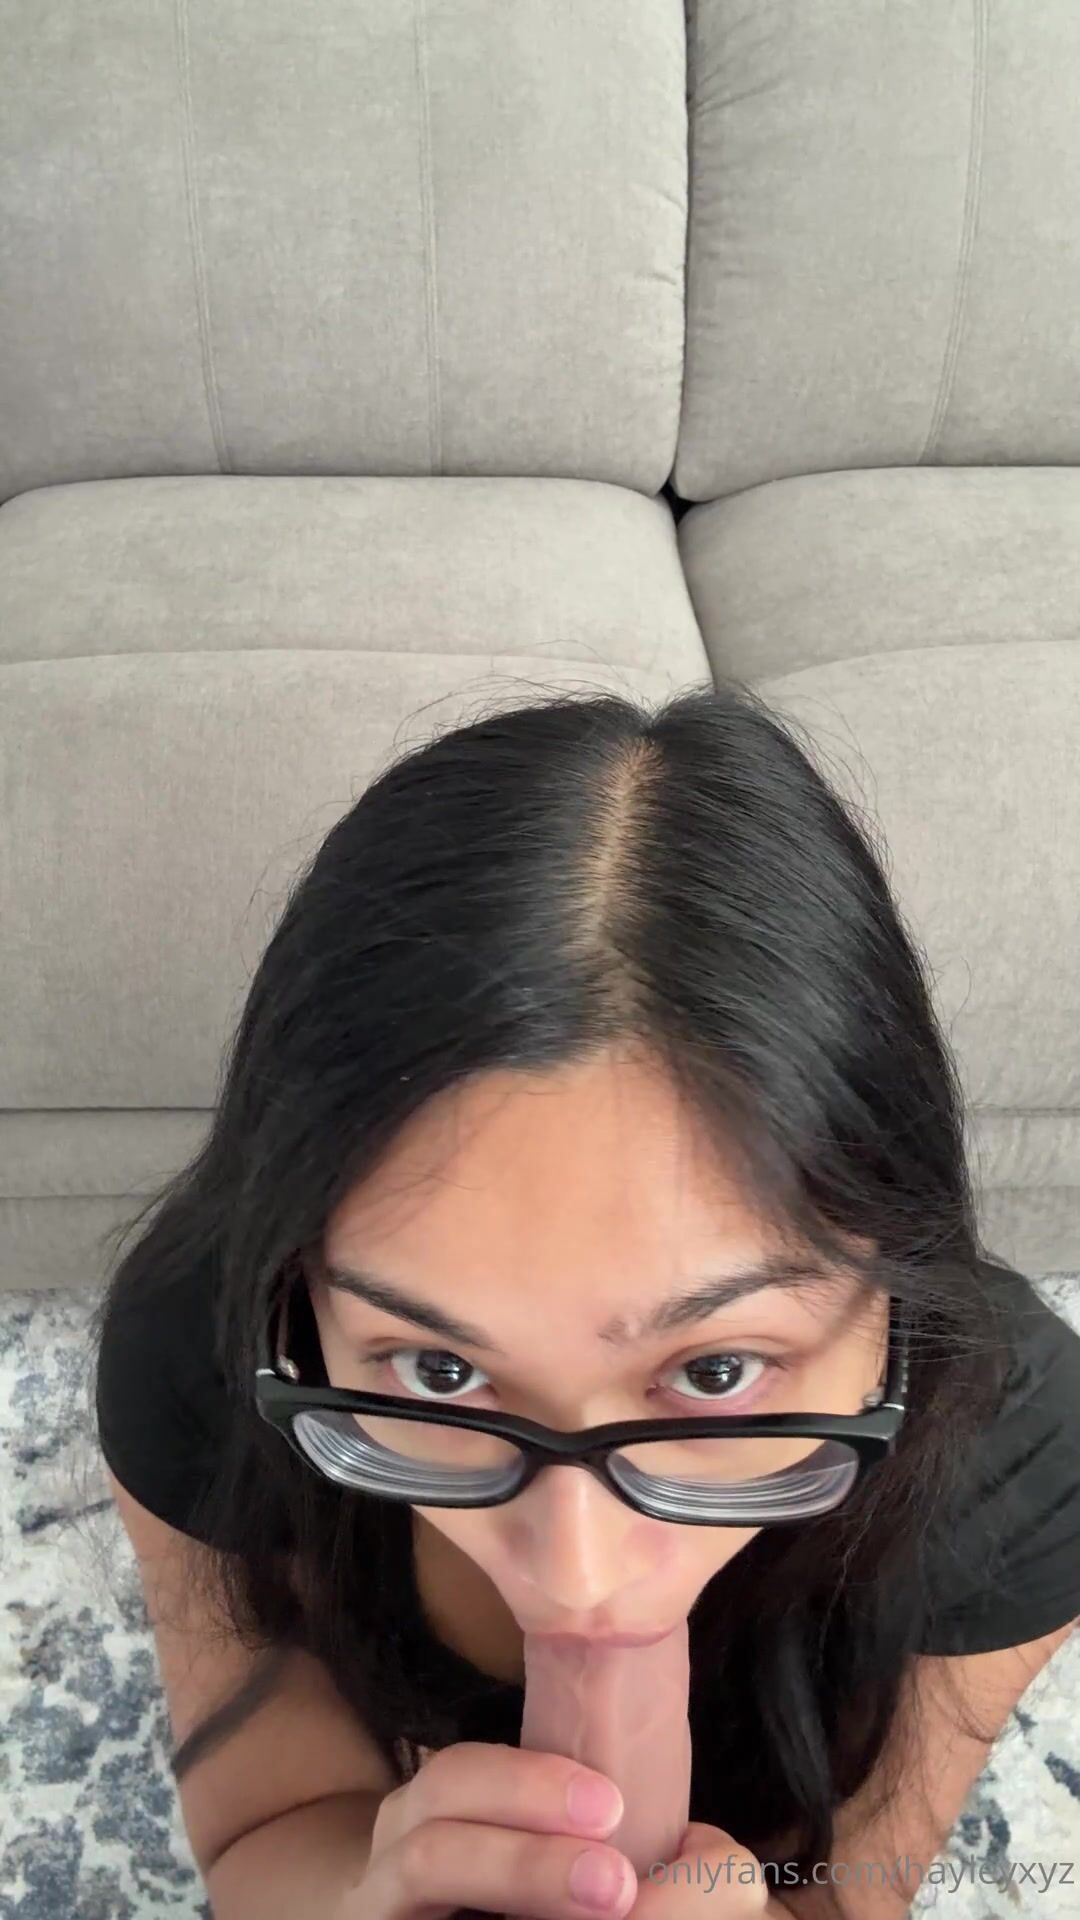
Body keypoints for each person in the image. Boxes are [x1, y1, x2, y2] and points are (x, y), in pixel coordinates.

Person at [91, 683, 1080, 1920]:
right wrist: (357, 1892)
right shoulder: (209, 1337)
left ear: (897, 1285)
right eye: (439, 1370)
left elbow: (853, 1882)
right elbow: (264, 1823)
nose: (577, 1575)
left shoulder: (1016, 1455)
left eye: (716, 1370)